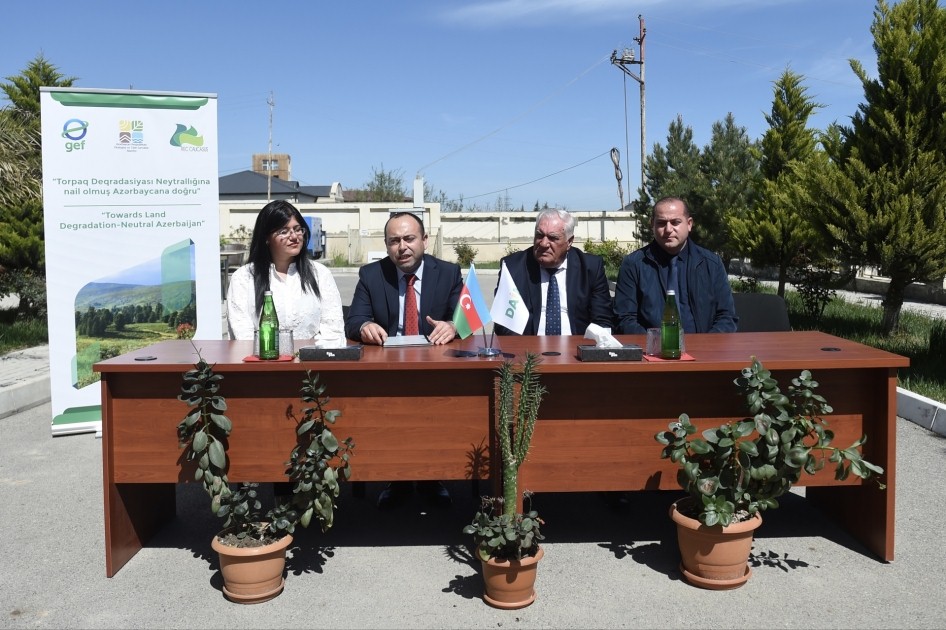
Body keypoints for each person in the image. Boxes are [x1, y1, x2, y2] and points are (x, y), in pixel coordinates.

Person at [344, 210, 463, 508]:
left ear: (424, 240)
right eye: (394, 241)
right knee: (388, 412)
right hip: (388, 366)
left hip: (435, 366)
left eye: (409, 239)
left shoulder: (448, 273)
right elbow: (354, 319)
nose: (402, 247)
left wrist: (453, 325)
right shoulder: (371, 275)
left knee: (436, 409)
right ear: (387, 245)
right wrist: (364, 326)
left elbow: (467, 319)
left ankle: (431, 476)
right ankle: (394, 476)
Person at [613, 196, 736, 334]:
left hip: (703, 350)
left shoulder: (711, 264)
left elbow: (726, 317)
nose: (668, 229)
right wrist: (657, 345)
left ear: (689, 224)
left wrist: (704, 345)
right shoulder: (634, 264)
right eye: (661, 223)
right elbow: (624, 318)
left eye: (675, 222)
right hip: (652, 352)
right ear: (652, 224)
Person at [226, 200, 345, 343]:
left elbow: (333, 331)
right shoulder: (244, 277)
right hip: (262, 362)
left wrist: (306, 356)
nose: (294, 236)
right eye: (284, 231)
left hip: (312, 361)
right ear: (266, 238)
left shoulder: (320, 274)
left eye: (297, 229)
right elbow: (243, 335)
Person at [493, 208, 613, 336]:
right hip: (529, 350)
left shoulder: (590, 268)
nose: (544, 243)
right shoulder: (513, 267)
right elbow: (504, 324)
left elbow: (602, 320)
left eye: (553, 238)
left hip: (577, 347)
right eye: (539, 235)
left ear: (569, 242)